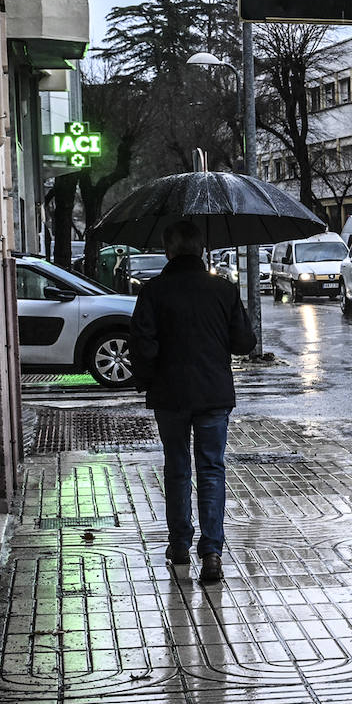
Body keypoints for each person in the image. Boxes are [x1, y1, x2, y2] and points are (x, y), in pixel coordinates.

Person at [129, 221, 256, 583]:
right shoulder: (223, 290)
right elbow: (244, 343)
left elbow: (142, 345)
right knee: (212, 468)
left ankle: (180, 544)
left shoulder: (153, 291)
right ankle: (212, 552)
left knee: (177, 467)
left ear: (169, 250)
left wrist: (148, 378)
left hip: (170, 395)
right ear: (201, 250)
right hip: (214, 394)